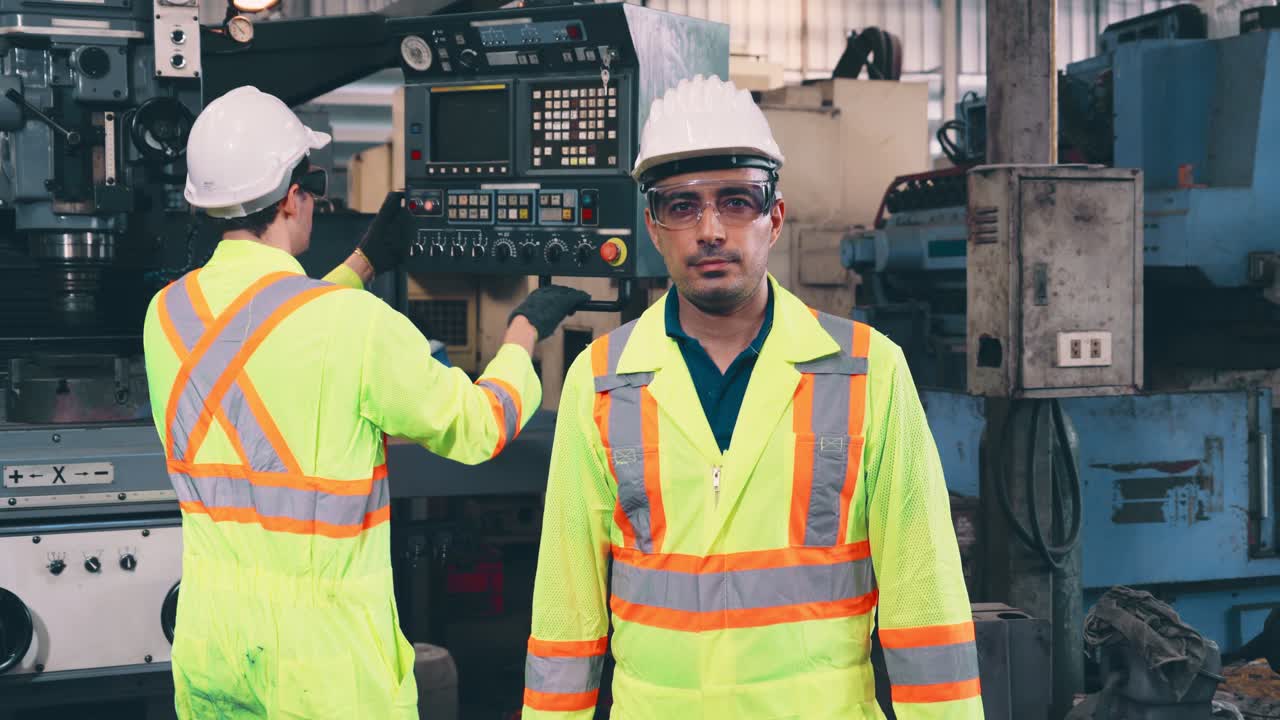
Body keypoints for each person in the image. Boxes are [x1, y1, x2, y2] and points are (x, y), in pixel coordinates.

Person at [521, 75, 983, 719]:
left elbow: (925, 599)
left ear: (775, 216)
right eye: (682, 206)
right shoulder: (601, 379)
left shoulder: (867, 371)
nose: (710, 229)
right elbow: (566, 607)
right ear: (653, 226)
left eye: (736, 201)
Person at [142, 85, 589, 719]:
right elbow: (479, 427)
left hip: (212, 647)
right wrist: (523, 332)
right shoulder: (349, 324)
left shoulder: (167, 315)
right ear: (294, 197)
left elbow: (258, 333)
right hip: (324, 668)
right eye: (313, 184)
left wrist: (365, 260)